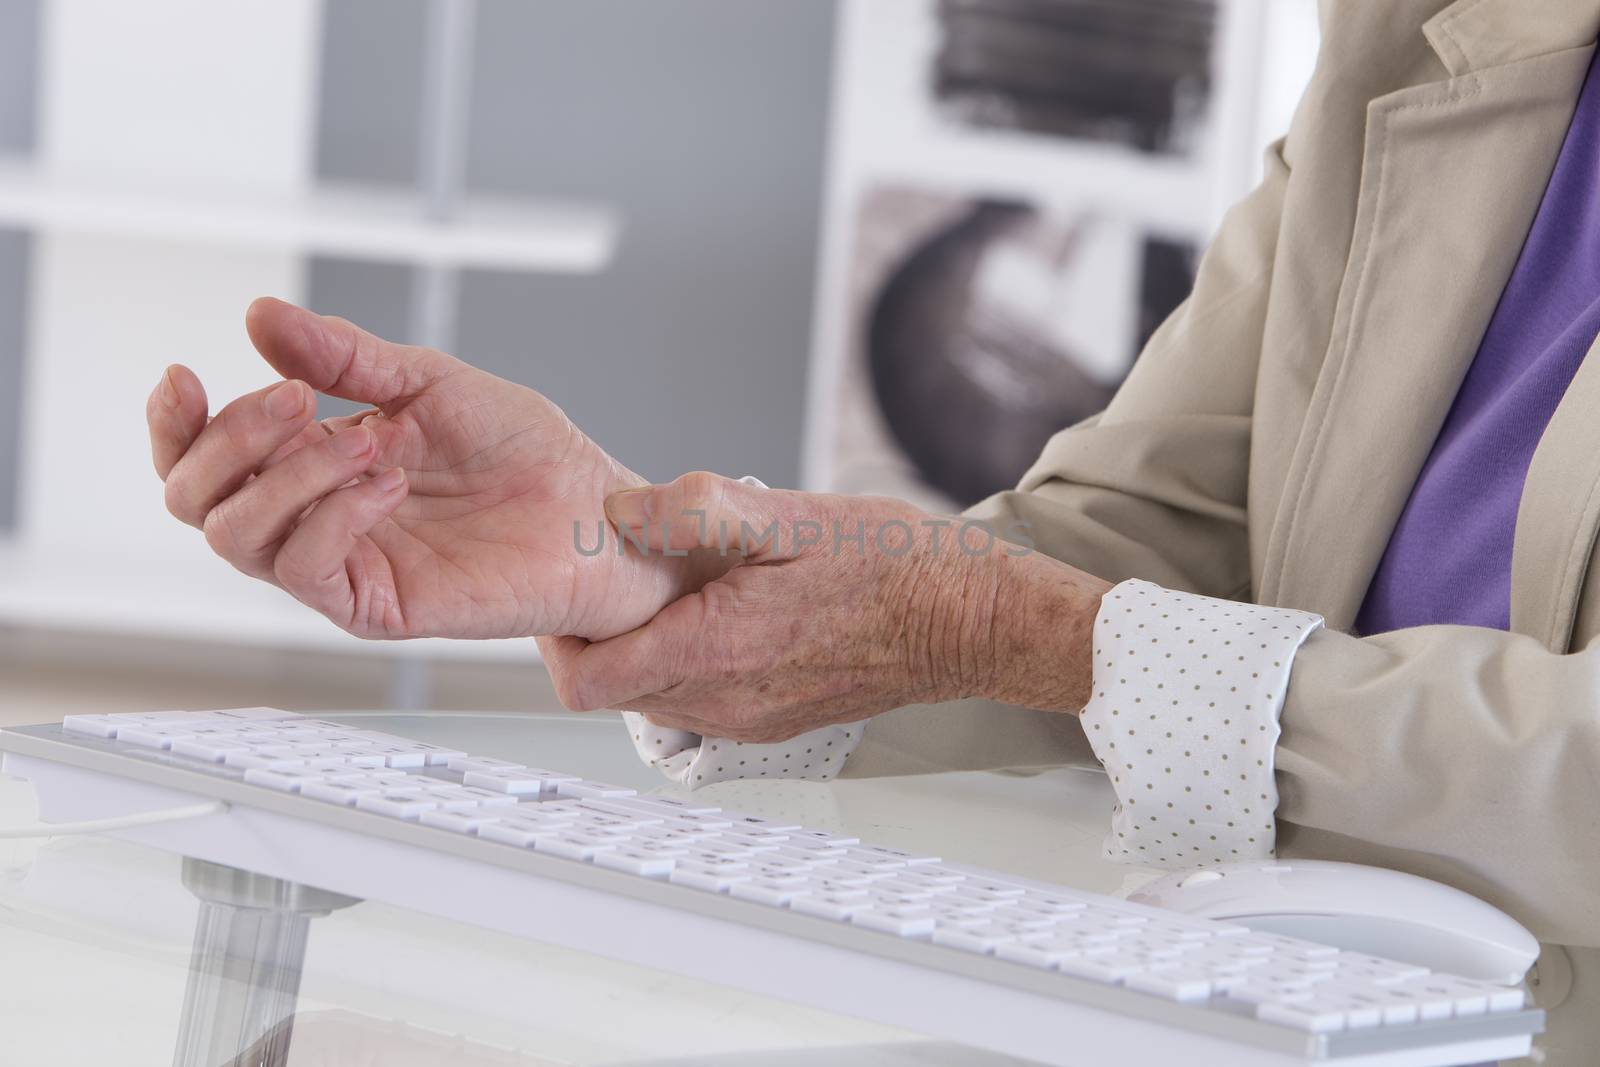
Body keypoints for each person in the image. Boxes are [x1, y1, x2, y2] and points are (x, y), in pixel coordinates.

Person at [145, 0, 1596, 1059]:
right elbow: (1156, 530)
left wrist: (1017, 631)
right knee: (325, 1042)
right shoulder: (1426, 43)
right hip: (1257, 998)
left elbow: (1070, 627)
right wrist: (650, 566)